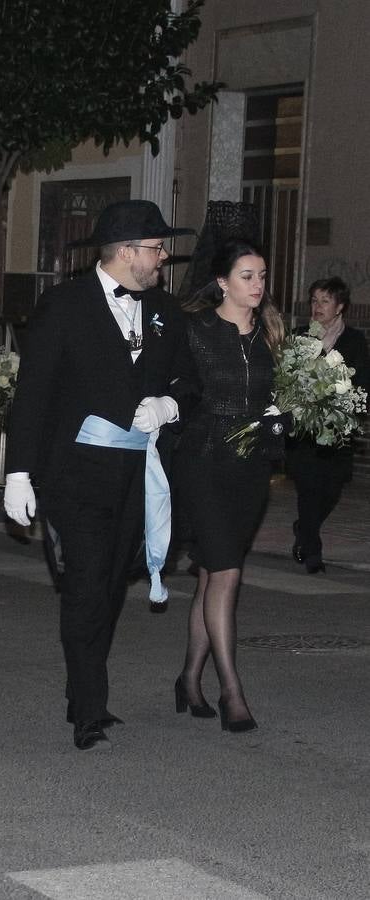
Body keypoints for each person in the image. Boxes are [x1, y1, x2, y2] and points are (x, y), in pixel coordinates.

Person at [3, 200, 193, 751]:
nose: (163, 257)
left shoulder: (165, 310)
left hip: (138, 474)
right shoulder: (64, 306)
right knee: (85, 587)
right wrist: (19, 472)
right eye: (156, 248)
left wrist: (168, 405)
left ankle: (79, 685)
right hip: (76, 474)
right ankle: (90, 707)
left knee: (112, 585)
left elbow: (190, 381)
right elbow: (34, 393)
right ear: (128, 252)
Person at [173, 240, 289, 733]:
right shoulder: (196, 330)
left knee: (212, 577)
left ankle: (187, 679)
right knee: (227, 574)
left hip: (251, 470)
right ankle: (231, 691)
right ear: (222, 281)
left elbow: (283, 393)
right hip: (204, 464)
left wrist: (283, 416)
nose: (258, 284)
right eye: (247, 275)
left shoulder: (272, 333)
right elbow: (177, 392)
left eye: (262, 275)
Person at [288, 276, 370, 574]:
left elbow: (361, 383)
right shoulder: (300, 336)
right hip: (305, 431)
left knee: (331, 490)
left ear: (340, 307)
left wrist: (347, 405)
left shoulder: (354, 341)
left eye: (325, 301)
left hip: (337, 430)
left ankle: (304, 528)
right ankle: (312, 553)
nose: (317, 306)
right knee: (308, 490)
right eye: (314, 300)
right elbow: (288, 379)